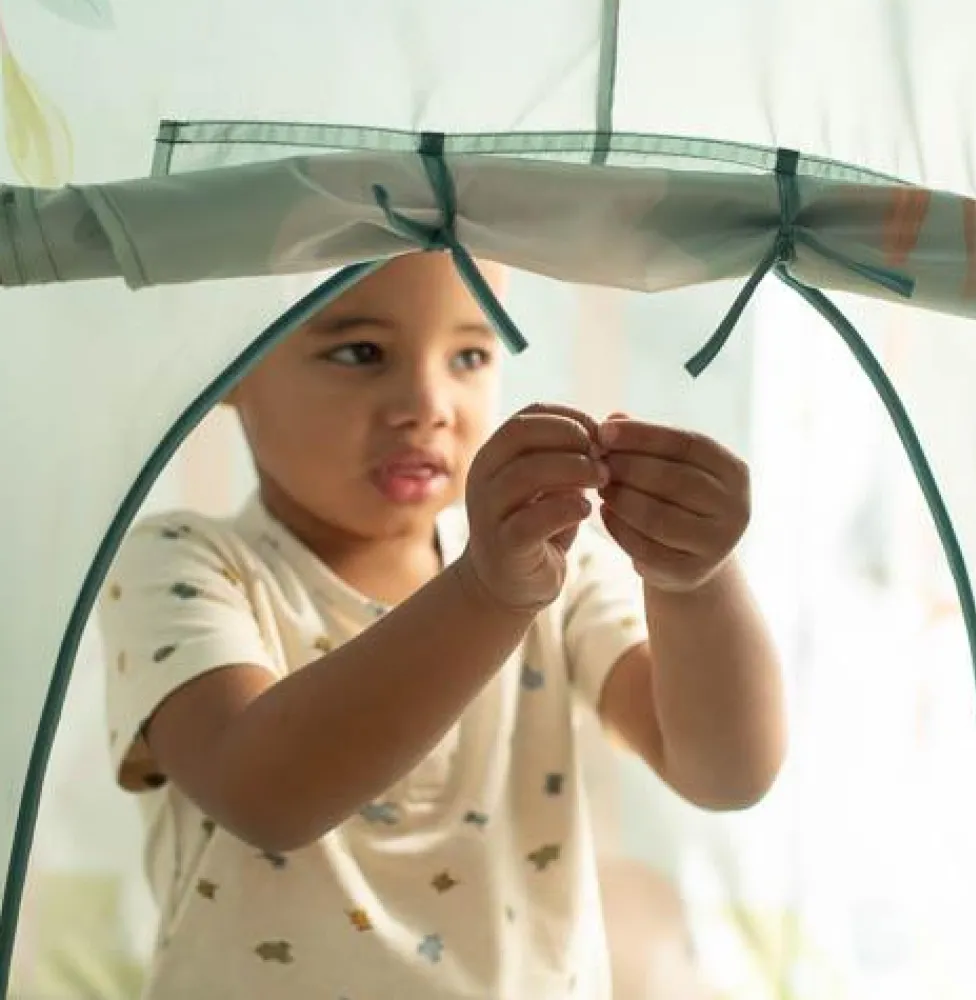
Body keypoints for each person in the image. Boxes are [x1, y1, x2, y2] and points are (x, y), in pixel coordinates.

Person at [99, 251, 786, 1000]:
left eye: (470, 356)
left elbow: (725, 774)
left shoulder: (561, 567)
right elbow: (265, 795)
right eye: (361, 352)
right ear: (231, 364)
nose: (429, 404)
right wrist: (487, 595)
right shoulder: (180, 563)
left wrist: (695, 585)